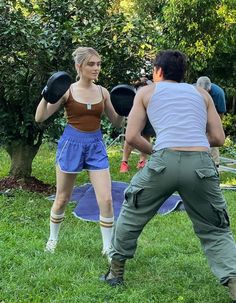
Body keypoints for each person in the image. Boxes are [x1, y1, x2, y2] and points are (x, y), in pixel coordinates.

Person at [101, 50, 236, 302]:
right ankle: (234, 283)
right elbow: (218, 138)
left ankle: (115, 273)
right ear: (183, 74)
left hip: (163, 162)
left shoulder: (146, 92)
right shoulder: (201, 93)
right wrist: (191, 143)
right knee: (215, 228)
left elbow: (131, 137)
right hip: (201, 165)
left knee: (133, 211)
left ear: (158, 71)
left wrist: (159, 152)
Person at [35, 46, 124, 256]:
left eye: (98, 64)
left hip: (96, 145)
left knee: (107, 199)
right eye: (91, 64)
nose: (96, 68)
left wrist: (123, 110)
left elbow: (117, 123)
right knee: (62, 198)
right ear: (79, 66)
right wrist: (46, 95)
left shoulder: (103, 92)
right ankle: (53, 239)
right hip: (71, 145)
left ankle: (107, 247)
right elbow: (40, 117)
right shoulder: (68, 91)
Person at [120, 76, 155, 173]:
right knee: (129, 138)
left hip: (148, 113)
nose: (143, 79)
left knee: (146, 136)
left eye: (145, 79)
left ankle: (142, 161)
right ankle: (124, 163)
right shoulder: (135, 89)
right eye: (142, 79)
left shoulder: (151, 86)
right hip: (136, 113)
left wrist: (148, 82)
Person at [196, 76, 227, 168]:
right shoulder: (192, 90)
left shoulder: (218, 93)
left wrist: (215, 127)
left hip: (213, 116)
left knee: (213, 138)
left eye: (206, 92)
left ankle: (215, 164)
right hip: (197, 116)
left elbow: (221, 112)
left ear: (209, 89)